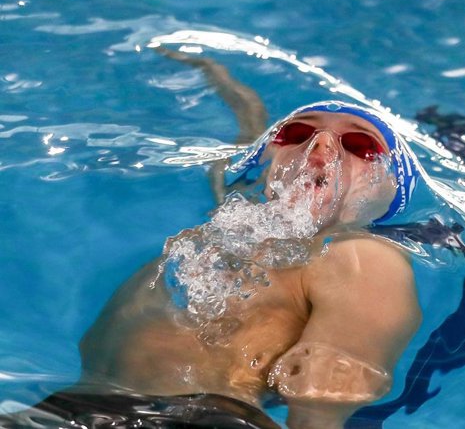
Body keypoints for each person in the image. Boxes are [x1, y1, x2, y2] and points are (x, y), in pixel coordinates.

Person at [2, 51, 423, 429]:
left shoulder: (360, 256)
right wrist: (212, 70)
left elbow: (332, 388)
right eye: (295, 134)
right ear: (267, 161)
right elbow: (247, 135)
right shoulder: (237, 219)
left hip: (203, 419)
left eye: (360, 145)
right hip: (80, 409)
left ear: (387, 192)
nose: (320, 147)